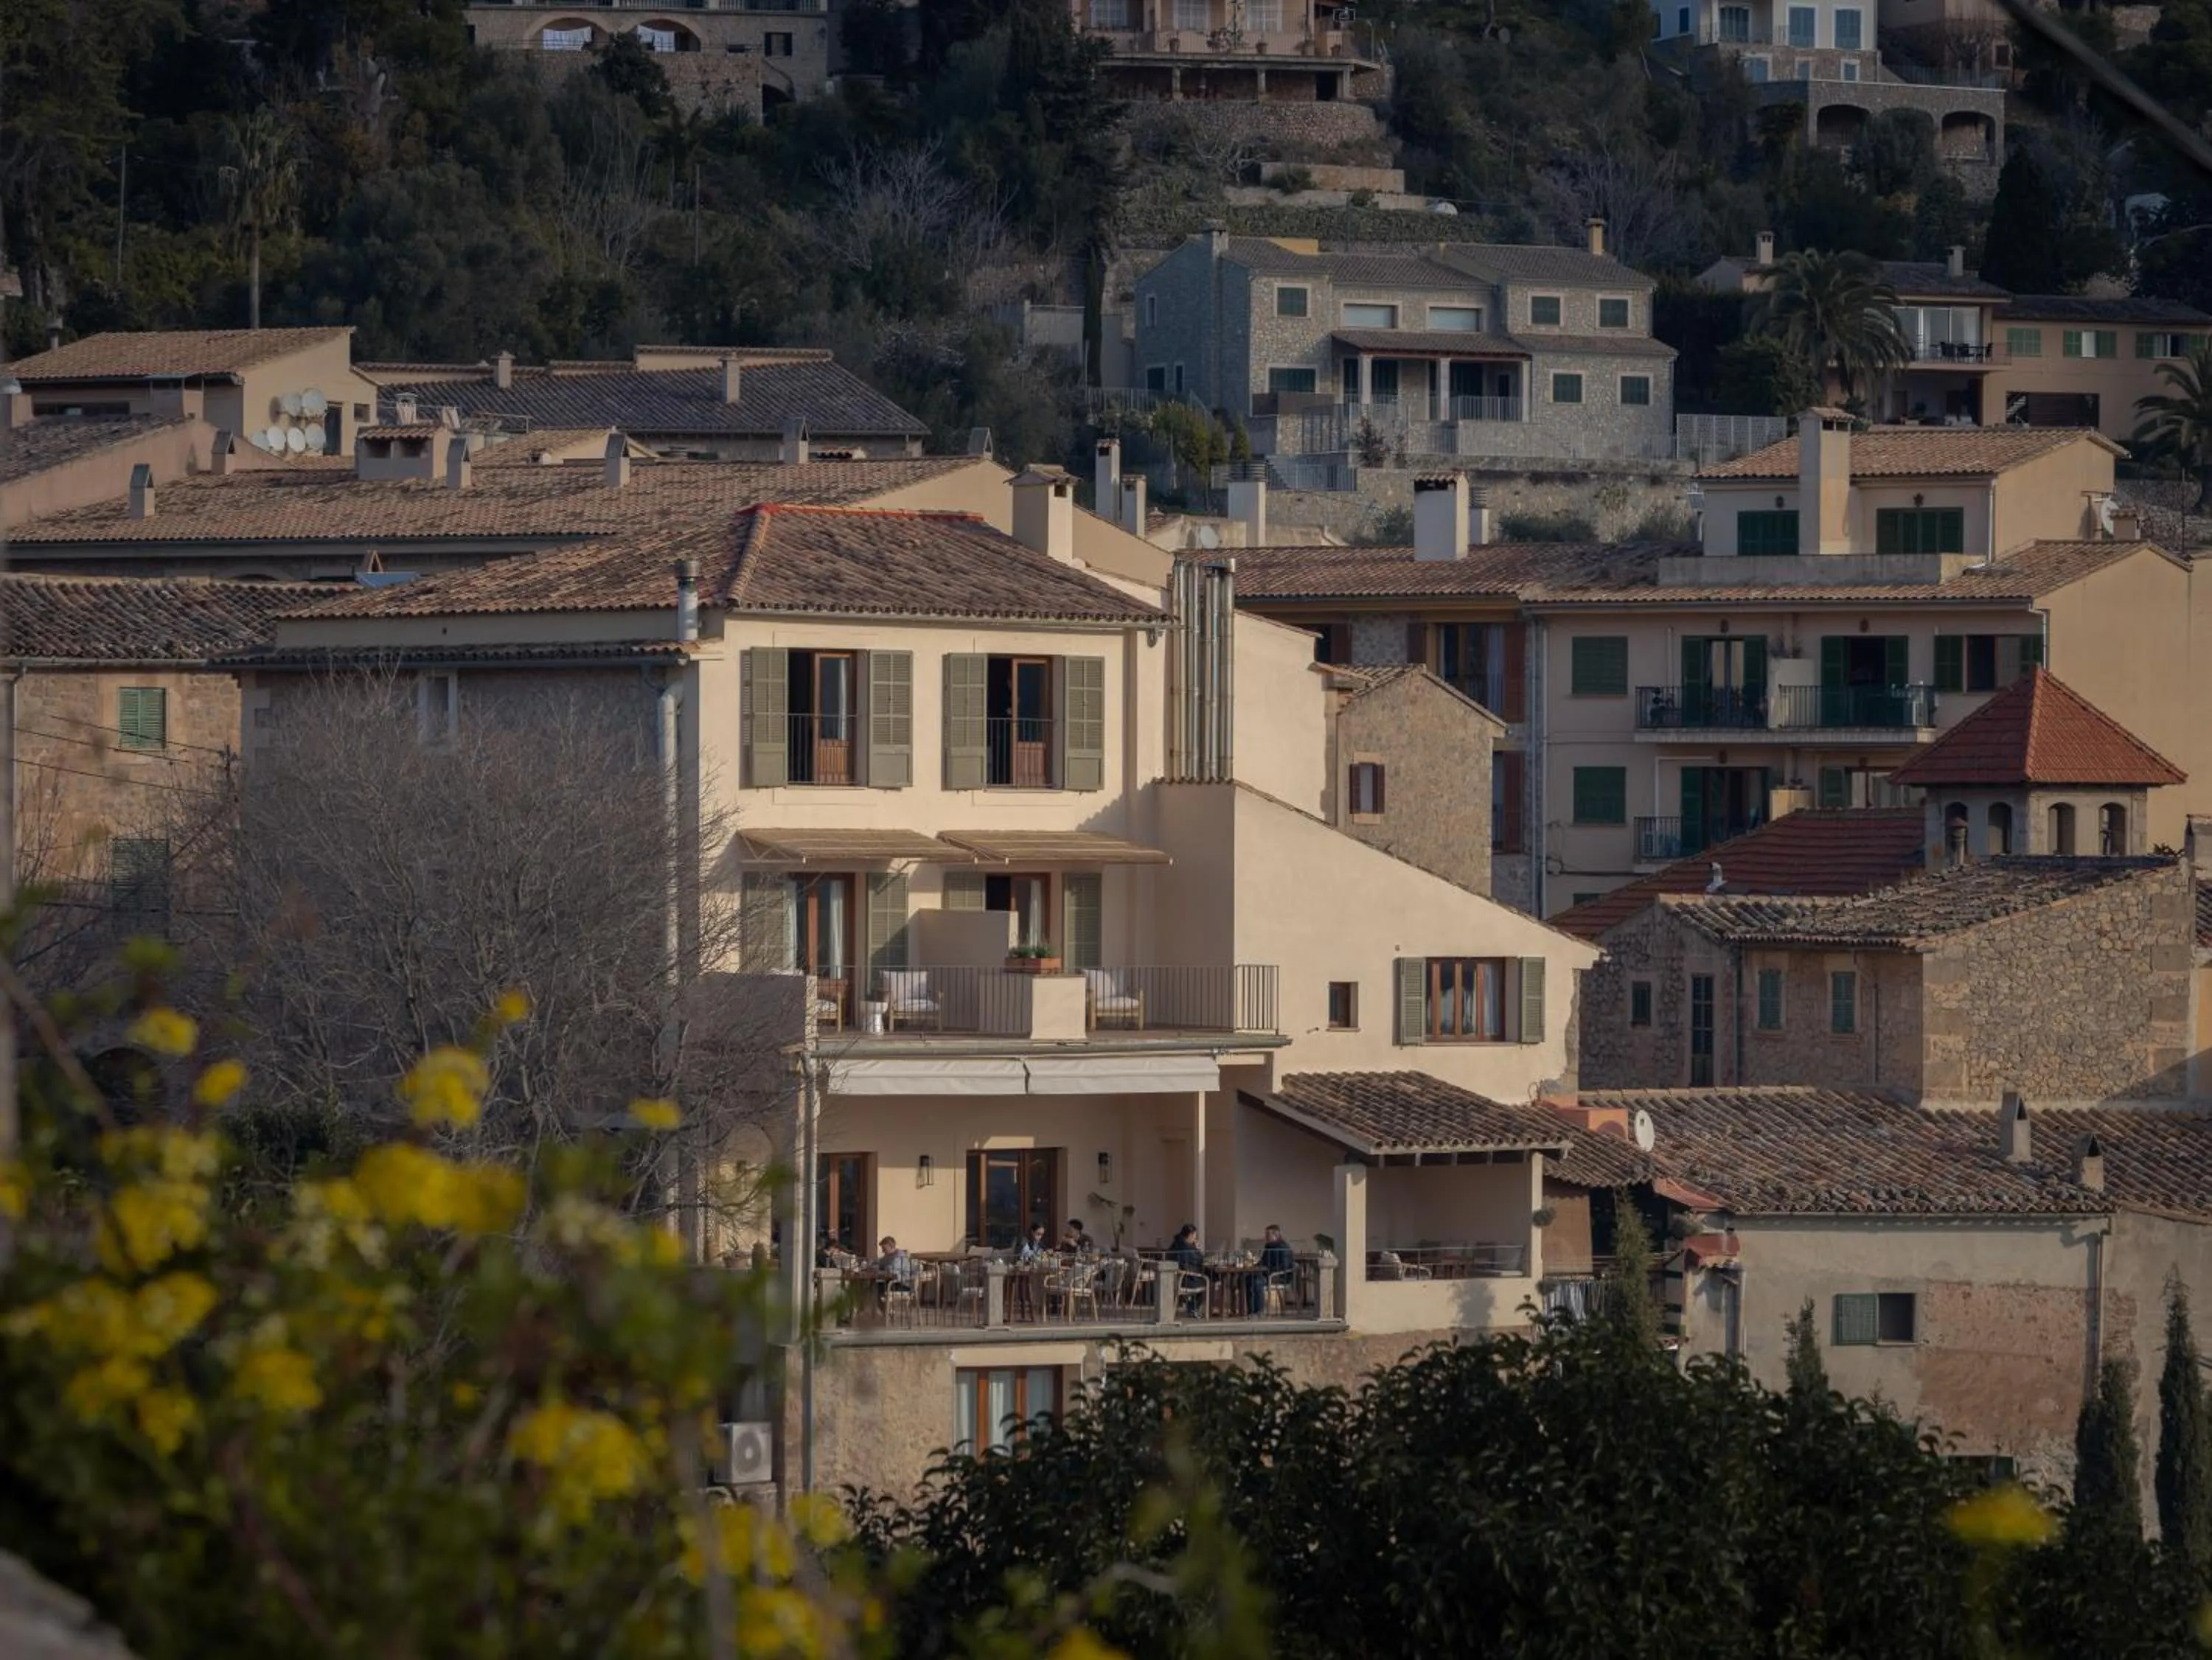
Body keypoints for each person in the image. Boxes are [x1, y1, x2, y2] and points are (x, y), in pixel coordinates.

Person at [1247, 1224, 1295, 1315]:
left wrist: (1267, 1270)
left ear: (1276, 1235)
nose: (1266, 1237)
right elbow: (1263, 1261)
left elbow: (1284, 1266)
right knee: (1248, 1279)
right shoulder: (1268, 1246)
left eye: (1268, 1235)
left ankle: (1258, 1311)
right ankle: (1250, 1310)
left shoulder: (1283, 1248)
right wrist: (1255, 1267)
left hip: (1279, 1276)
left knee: (1257, 1283)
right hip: (1266, 1273)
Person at [1168, 1223, 1206, 1316]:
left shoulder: (1176, 1244)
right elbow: (1199, 1260)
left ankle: (1192, 1309)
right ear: (1190, 1235)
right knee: (1208, 1280)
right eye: (1195, 1235)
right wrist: (1197, 1249)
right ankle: (1194, 1309)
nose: (1195, 1238)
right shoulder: (1187, 1247)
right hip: (1187, 1279)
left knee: (1204, 1278)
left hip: (1177, 1278)